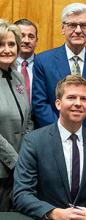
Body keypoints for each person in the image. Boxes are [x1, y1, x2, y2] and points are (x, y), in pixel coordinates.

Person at [13, 74, 86, 219]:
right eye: (71, 97)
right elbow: (21, 194)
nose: (78, 103)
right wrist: (53, 213)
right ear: (58, 103)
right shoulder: (34, 141)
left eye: (83, 99)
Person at [32, 3, 86, 136]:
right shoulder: (43, 61)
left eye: (83, 25)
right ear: (63, 28)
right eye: (72, 25)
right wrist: (61, 133)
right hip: (53, 138)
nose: (78, 30)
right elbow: (40, 104)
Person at [0, 19, 32, 211]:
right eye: (1, 44)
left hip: (18, 170)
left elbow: (27, 119)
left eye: (11, 44)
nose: (7, 50)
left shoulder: (17, 75)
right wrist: (16, 161)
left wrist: (26, 157)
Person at [14, 19, 38, 103]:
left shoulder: (44, 65)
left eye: (31, 37)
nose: (26, 41)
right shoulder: (5, 65)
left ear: (36, 41)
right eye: (22, 36)